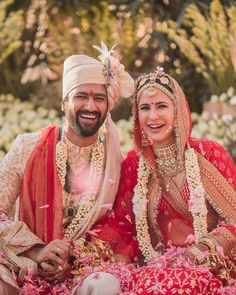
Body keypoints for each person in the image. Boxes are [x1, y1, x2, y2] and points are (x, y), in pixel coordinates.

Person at [81, 67, 236, 294]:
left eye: (161, 106)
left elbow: (234, 218)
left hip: (211, 266)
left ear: (179, 110)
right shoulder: (135, 164)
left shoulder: (207, 153)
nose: (153, 117)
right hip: (155, 267)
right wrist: (88, 248)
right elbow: (123, 224)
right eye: (145, 108)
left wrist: (199, 253)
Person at [0, 42, 134, 294]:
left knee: (105, 285)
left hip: (80, 271)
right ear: (64, 102)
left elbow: (119, 230)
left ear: (108, 106)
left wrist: (72, 257)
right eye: (81, 96)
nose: (91, 107)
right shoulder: (27, 147)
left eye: (99, 98)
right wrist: (36, 250)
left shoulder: (115, 165)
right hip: (23, 264)